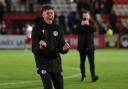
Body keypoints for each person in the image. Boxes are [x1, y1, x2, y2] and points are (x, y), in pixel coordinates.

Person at [31, 5, 70, 89]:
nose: (50, 15)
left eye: (51, 13)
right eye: (47, 13)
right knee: (48, 87)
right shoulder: (37, 29)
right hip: (43, 63)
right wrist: (40, 48)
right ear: (43, 15)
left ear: (54, 14)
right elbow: (34, 49)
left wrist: (64, 49)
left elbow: (61, 48)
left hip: (56, 64)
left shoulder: (58, 28)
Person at [76, 10, 99, 82]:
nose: (85, 16)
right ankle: (83, 76)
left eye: (86, 15)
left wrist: (88, 24)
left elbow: (94, 29)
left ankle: (93, 76)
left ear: (89, 16)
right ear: (82, 16)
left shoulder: (92, 23)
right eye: (84, 15)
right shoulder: (79, 23)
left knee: (91, 62)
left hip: (90, 47)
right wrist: (81, 25)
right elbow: (76, 30)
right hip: (81, 47)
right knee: (82, 62)